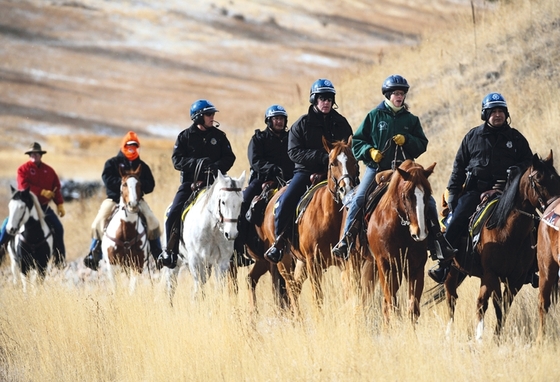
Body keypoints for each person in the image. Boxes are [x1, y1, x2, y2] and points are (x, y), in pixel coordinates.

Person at [331, 74, 456, 264]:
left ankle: (437, 242)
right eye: (395, 93)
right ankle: (346, 239)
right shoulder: (374, 116)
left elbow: (422, 144)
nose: (399, 97)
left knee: (428, 202)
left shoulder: (411, 119)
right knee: (359, 198)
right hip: (377, 169)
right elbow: (357, 143)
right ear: (388, 95)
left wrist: (408, 140)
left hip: (405, 172)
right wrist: (370, 151)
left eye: (401, 94)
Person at [428, 92, 534, 284]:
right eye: (493, 111)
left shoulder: (516, 138)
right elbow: (458, 166)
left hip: (509, 193)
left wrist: (516, 171)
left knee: (532, 220)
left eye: (501, 111)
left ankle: (532, 268)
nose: (498, 115)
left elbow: (529, 163)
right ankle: (443, 264)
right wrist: (452, 193)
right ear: (485, 114)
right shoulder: (472, 136)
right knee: (457, 219)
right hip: (475, 191)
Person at [264, 79, 353, 263]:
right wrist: (322, 158)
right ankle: (279, 243)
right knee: (284, 201)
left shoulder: (341, 123)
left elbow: (350, 147)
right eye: (322, 98)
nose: (326, 102)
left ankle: (358, 240)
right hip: (306, 173)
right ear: (314, 100)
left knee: (360, 199)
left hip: (338, 174)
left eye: (329, 98)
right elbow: (293, 152)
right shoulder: (301, 124)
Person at [158, 99, 236, 269]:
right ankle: (170, 251)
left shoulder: (220, 136)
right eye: (209, 114)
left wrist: (215, 167)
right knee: (173, 211)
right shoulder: (185, 136)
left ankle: (239, 250)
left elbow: (230, 158)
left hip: (216, 183)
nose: (212, 117)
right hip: (190, 184)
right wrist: (198, 163)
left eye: (213, 114)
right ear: (198, 117)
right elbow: (177, 160)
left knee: (235, 205)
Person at [83, 131, 162, 271]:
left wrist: (136, 185)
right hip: (114, 199)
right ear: (123, 145)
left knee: (153, 221)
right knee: (98, 221)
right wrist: (124, 185)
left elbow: (151, 184)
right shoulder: (112, 163)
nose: (132, 148)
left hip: (137, 201)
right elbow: (106, 179)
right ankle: (94, 253)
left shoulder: (142, 165)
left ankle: (158, 255)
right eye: (129, 145)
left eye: (134, 145)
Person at [233, 104, 294, 259]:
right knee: (244, 201)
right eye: (276, 119)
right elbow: (255, 161)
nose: (279, 122)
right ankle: (238, 248)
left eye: (281, 119)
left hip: (287, 180)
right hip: (261, 181)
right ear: (269, 121)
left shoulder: (290, 138)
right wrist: (271, 169)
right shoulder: (258, 139)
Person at [0, 142, 66, 265]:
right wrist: (41, 192)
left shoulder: (49, 171)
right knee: (7, 224)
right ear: (29, 155)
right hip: (25, 206)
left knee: (58, 228)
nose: (34, 156)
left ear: (41, 155)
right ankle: (1, 250)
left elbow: (56, 187)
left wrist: (59, 204)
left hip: (43, 207)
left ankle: (59, 258)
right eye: (32, 154)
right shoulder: (22, 169)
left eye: (37, 154)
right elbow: (23, 186)